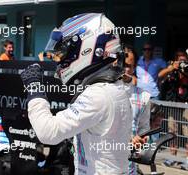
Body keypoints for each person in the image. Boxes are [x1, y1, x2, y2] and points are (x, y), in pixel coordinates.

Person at [21, 13, 132, 174]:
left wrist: (34, 88)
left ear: (88, 48)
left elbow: (47, 132)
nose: (61, 60)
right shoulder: (112, 88)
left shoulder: (99, 95)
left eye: (65, 51)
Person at [122, 45, 151, 175]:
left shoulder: (144, 96)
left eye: (130, 65)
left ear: (134, 67)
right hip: (104, 164)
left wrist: (141, 141)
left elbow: (144, 129)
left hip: (129, 166)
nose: (126, 69)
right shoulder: (101, 91)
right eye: (123, 64)